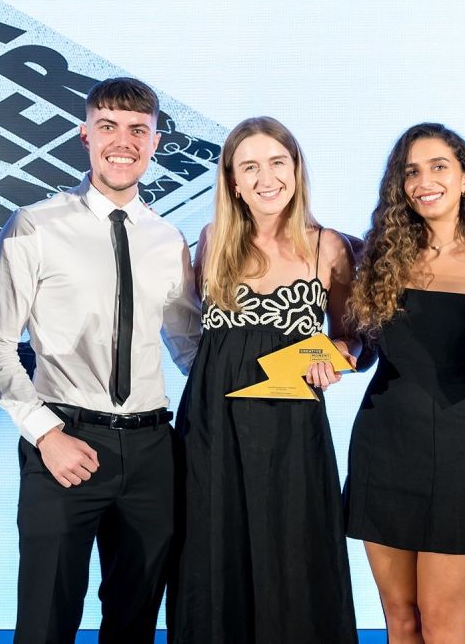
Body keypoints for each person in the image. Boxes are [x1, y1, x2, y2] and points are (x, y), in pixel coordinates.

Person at [0, 77, 201, 644]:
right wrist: (45, 434)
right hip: (64, 440)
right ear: (85, 135)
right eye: (108, 127)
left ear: (154, 143)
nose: (123, 142)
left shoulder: (168, 238)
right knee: (45, 623)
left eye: (138, 131)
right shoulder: (35, 225)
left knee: (135, 623)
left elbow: (189, 347)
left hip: (152, 451)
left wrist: (257, 390)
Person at [168, 116, 358, 644]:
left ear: (296, 169)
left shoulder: (329, 246)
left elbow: (353, 337)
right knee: (211, 551)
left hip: (291, 429)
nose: (265, 177)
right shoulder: (211, 241)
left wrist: (337, 356)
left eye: (277, 162)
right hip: (213, 426)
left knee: (294, 552)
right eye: (249, 166)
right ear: (232, 180)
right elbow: (192, 334)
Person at [344, 123, 465, 644]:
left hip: (458, 456)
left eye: (439, 167)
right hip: (381, 447)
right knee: (401, 620)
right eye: (411, 172)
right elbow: (358, 348)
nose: (424, 181)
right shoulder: (379, 259)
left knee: (444, 626)